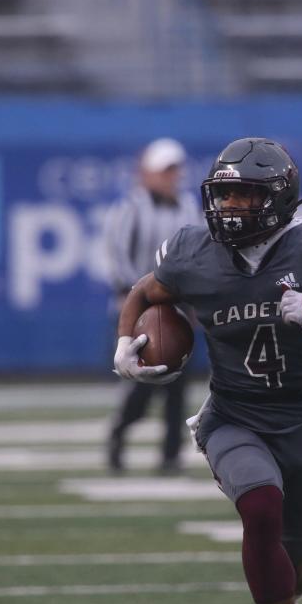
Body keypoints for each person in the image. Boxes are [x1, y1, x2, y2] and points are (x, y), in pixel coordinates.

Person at [113, 138, 302, 604]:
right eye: (224, 195)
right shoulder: (194, 253)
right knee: (259, 509)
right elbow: (142, 293)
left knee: (298, 561)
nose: (230, 207)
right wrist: (122, 348)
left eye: (246, 196)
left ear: (278, 198)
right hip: (235, 415)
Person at [103, 137, 202, 475]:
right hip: (136, 311)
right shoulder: (129, 209)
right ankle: (120, 431)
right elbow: (118, 260)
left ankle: (171, 455)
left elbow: (196, 257)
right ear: (145, 172)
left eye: (174, 169)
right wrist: (143, 299)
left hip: (177, 310)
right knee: (142, 388)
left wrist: (190, 299)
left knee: (178, 388)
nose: (170, 176)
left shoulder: (189, 207)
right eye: (164, 170)